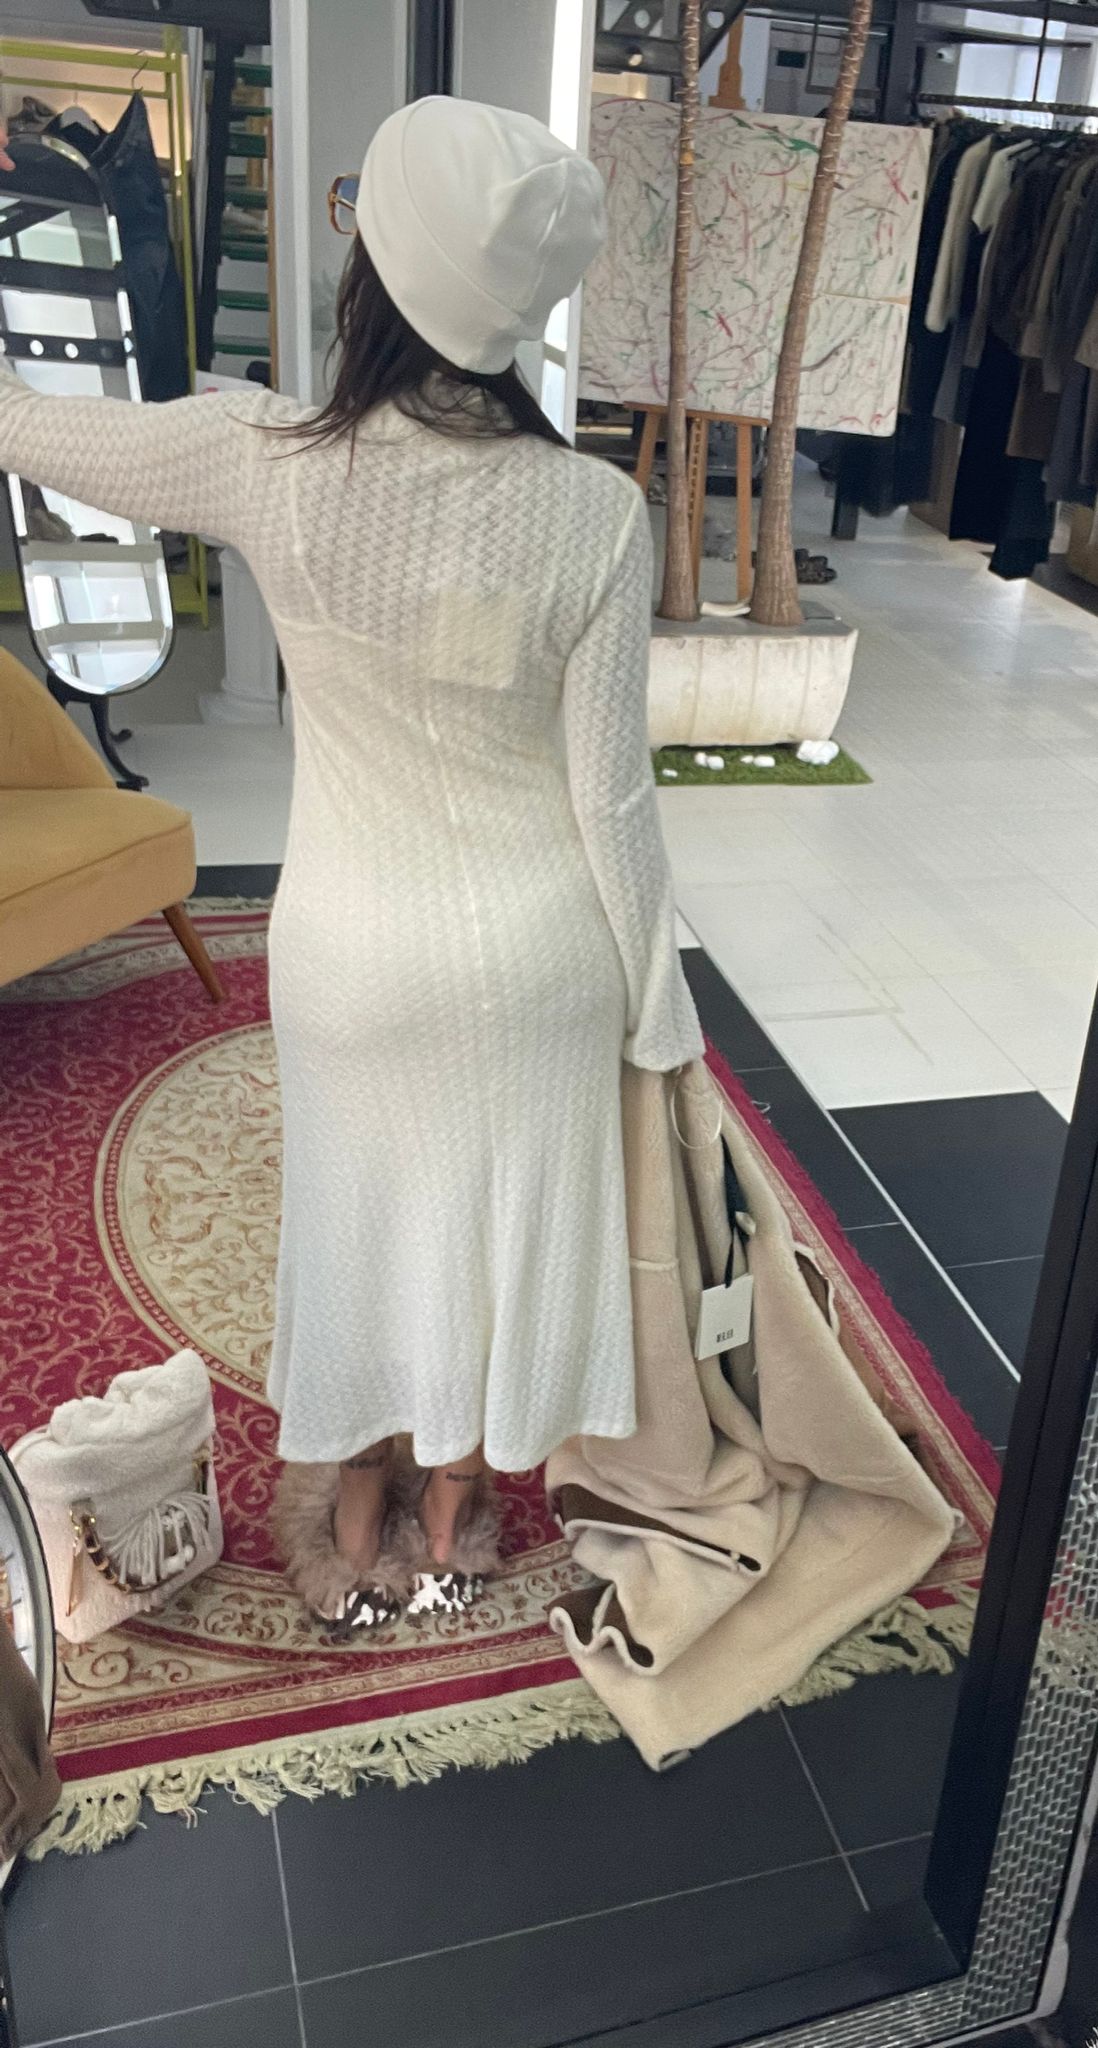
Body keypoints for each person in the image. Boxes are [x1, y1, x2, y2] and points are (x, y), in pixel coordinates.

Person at [0, 97, 702, 1628]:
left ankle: (358, 1494)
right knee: (495, 1244)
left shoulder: (267, 456)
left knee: (365, 1227)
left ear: (371, 269)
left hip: (352, 953)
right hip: (543, 961)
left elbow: (28, 424)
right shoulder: (599, 510)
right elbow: (613, 801)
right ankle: (458, 1507)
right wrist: (661, 1013)